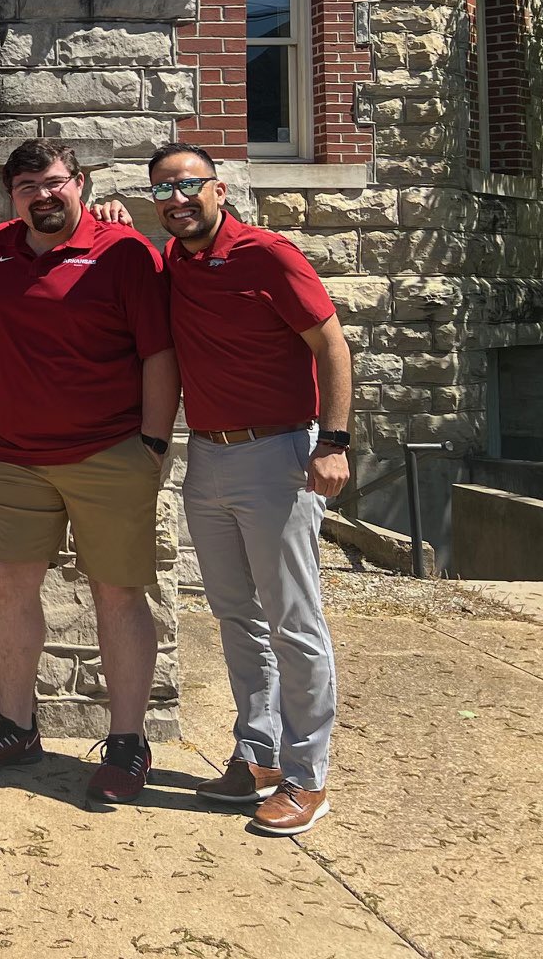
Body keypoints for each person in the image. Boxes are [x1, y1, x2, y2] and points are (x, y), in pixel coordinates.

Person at [0, 140, 177, 805]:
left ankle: (128, 741)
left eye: (53, 183)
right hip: (19, 454)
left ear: (80, 183)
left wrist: (154, 447)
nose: (41, 196)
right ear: (12, 197)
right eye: (26, 188)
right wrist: (13, 368)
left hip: (111, 451)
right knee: (11, 591)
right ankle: (17, 726)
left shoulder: (127, 252)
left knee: (118, 595)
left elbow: (160, 353)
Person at [151, 143, 352, 836]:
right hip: (206, 456)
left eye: (189, 185)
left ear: (219, 186)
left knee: (294, 621)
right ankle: (258, 754)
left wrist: (335, 442)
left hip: (279, 455)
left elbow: (331, 344)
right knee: (236, 616)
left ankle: (308, 777)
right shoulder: (174, 261)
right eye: (163, 191)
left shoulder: (268, 254)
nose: (177, 200)